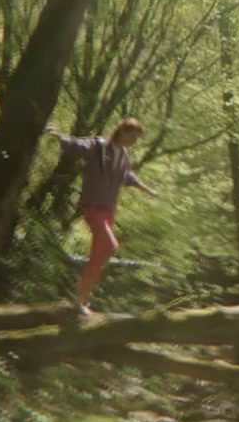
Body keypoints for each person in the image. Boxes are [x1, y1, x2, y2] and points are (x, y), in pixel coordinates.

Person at [45, 116, 160, 314]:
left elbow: (126, 175)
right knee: (109, 245)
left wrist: (145, 187)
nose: (134, 142)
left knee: (99, 256)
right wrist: (56, 134)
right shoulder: (99, 146)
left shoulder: (123, 154)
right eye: (132, 136)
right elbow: (76, 144)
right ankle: (79, 297)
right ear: (122, 132)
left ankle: (80, 299)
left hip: (108, 210)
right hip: (93, 207)